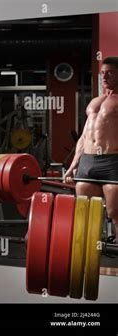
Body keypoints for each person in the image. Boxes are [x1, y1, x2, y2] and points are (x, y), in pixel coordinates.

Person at [64, 56, 118, 236]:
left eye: (109, 73)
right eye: (102, 73)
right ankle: (87, 260)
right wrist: (73, 166)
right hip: (88, 162)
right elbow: (84, 136)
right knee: (85, 214)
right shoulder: (95, 102)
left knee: (115, 214)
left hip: (112, 162)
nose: (105, 76)